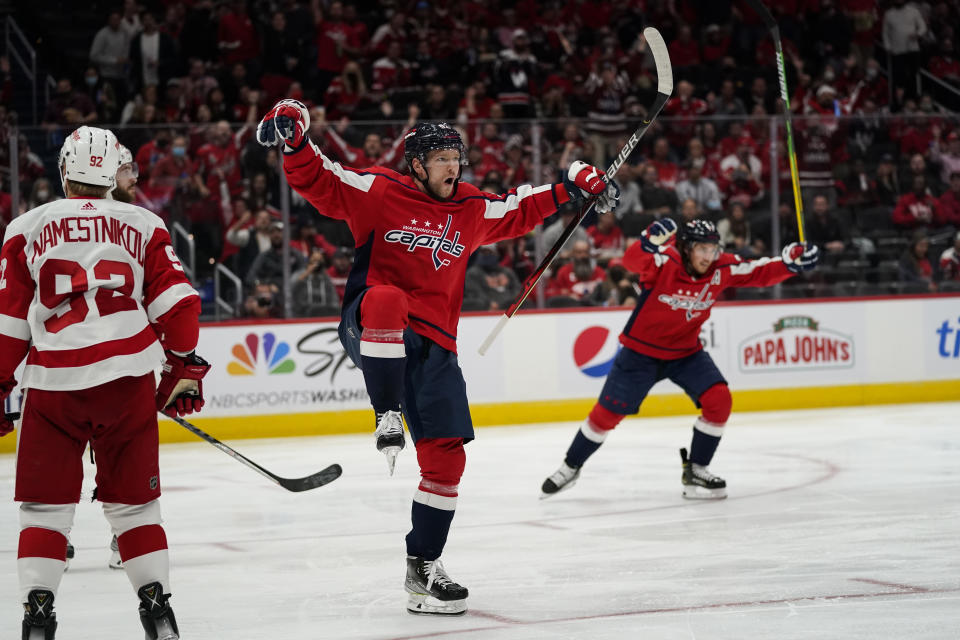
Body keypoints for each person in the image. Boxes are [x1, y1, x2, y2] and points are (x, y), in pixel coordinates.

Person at [255, 99, 618, 616]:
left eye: (456, 156)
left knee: (448, 457)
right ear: (417, 164)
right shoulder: (380, 191)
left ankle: (423, 566)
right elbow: (322, 180)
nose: (453, 165)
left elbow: (519, 208)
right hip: (372, 325)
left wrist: (575, 187)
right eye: (442, 157)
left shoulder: (469, 208)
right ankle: (386, 412)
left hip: (436, 347)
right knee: (388, 299)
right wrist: (294, 140)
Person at [0, 126, 208, 639]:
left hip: (53, 386)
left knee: (45, 509)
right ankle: (157, 609)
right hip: (126, 383)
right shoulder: (142, 222)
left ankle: (38, 613)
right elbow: (179, 307)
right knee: (136, 506)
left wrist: (0, 383)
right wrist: (181, 366)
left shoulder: (25, 227)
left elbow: (8, 324)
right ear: (113, 170)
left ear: (66, 170)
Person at [540, 219, 818, 501]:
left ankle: (697, 469)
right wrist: (647, 243)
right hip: (640, 353)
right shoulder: (664, 261)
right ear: (685, 248)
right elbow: (632, 261)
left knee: (719, 399)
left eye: (713, 249)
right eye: (701, 249)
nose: (708, 257)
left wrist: (789, 263)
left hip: (686, 353)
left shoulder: (721, 267)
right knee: (606, 415)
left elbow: (758, 272)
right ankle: (570, 466)